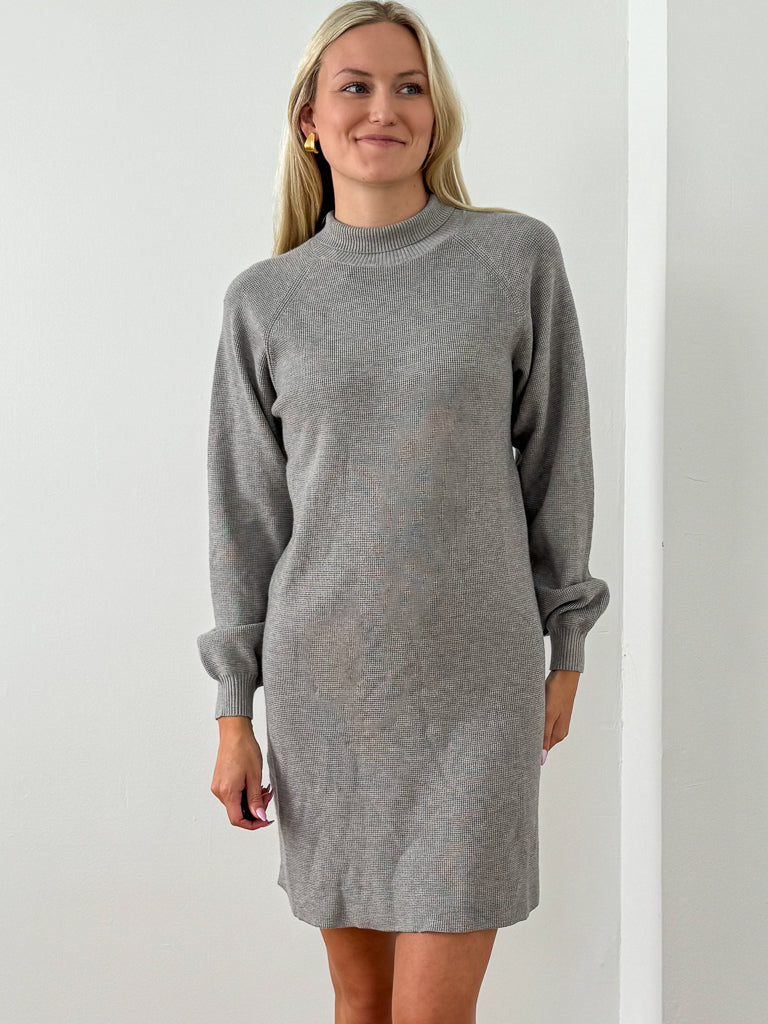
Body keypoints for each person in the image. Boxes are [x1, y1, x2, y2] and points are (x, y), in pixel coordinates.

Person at [196, 2, 611, 1020]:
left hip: (475, 686)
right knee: (361, 1003)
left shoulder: (513, 259)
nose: (385, 108)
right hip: (327, 691)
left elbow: (558, 459)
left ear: (437, 113)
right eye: (357, 85)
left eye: (410, 86)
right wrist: (233, 711)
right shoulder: (265, 301)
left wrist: (567, 641)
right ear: (309, 119)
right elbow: (246, 520)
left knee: (431, 1014)